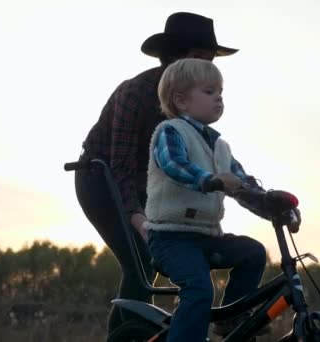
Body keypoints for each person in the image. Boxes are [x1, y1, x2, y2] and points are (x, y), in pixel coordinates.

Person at [73, 12, 239, 333]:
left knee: (184, 255)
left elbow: (193, 167)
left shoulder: (194, 104)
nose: (206, 68)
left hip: (148, 185)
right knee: (141, 263)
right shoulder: (135, 93)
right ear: (174, 58)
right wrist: (137, 218)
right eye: (198, 58)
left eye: (210, 60)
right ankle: (128, 337)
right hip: (101, 180)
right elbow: (120, 167)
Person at [145, 58, 300, 341]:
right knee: (199, 290)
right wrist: (210, 180)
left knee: (253, 252)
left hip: (206, 236)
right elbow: (174, 165)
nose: (219, 97)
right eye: (209, 91)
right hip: (170, 237)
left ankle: (230, 319)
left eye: (220, 91)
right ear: (181, 100)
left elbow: (243, 185)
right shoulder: (170, 132)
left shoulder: (220, 147)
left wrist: (275, 207)